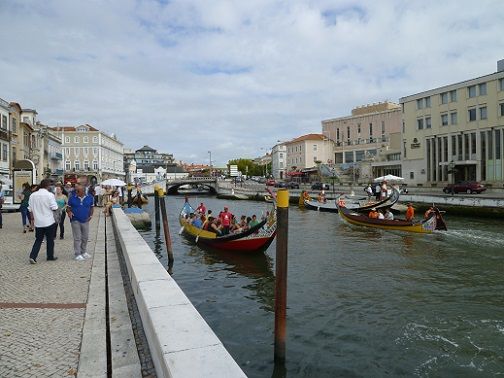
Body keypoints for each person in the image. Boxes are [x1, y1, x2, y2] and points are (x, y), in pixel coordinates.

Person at [27, 179, 58, 264]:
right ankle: (50, 256)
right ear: (47, 186)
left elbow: (30, 209)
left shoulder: (33, 195)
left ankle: (33, 256)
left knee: (38, 240)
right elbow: (54, 207)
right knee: (50, 240)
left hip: (38, 222)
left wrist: (32, 220)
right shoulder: (49, 195)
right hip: (49, 221)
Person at [67, 183, 94, 261]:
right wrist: (69, 212)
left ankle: (83, 252)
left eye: (78, 191)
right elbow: (68, 208)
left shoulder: (90, 198)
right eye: (76, 191)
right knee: (77, 238)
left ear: (83, 191)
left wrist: (91, 216)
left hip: (85, 220)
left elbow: (92, 208)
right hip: (75, 220)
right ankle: (77, 254)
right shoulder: (72, 198)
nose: (77, 192)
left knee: (85, 237)